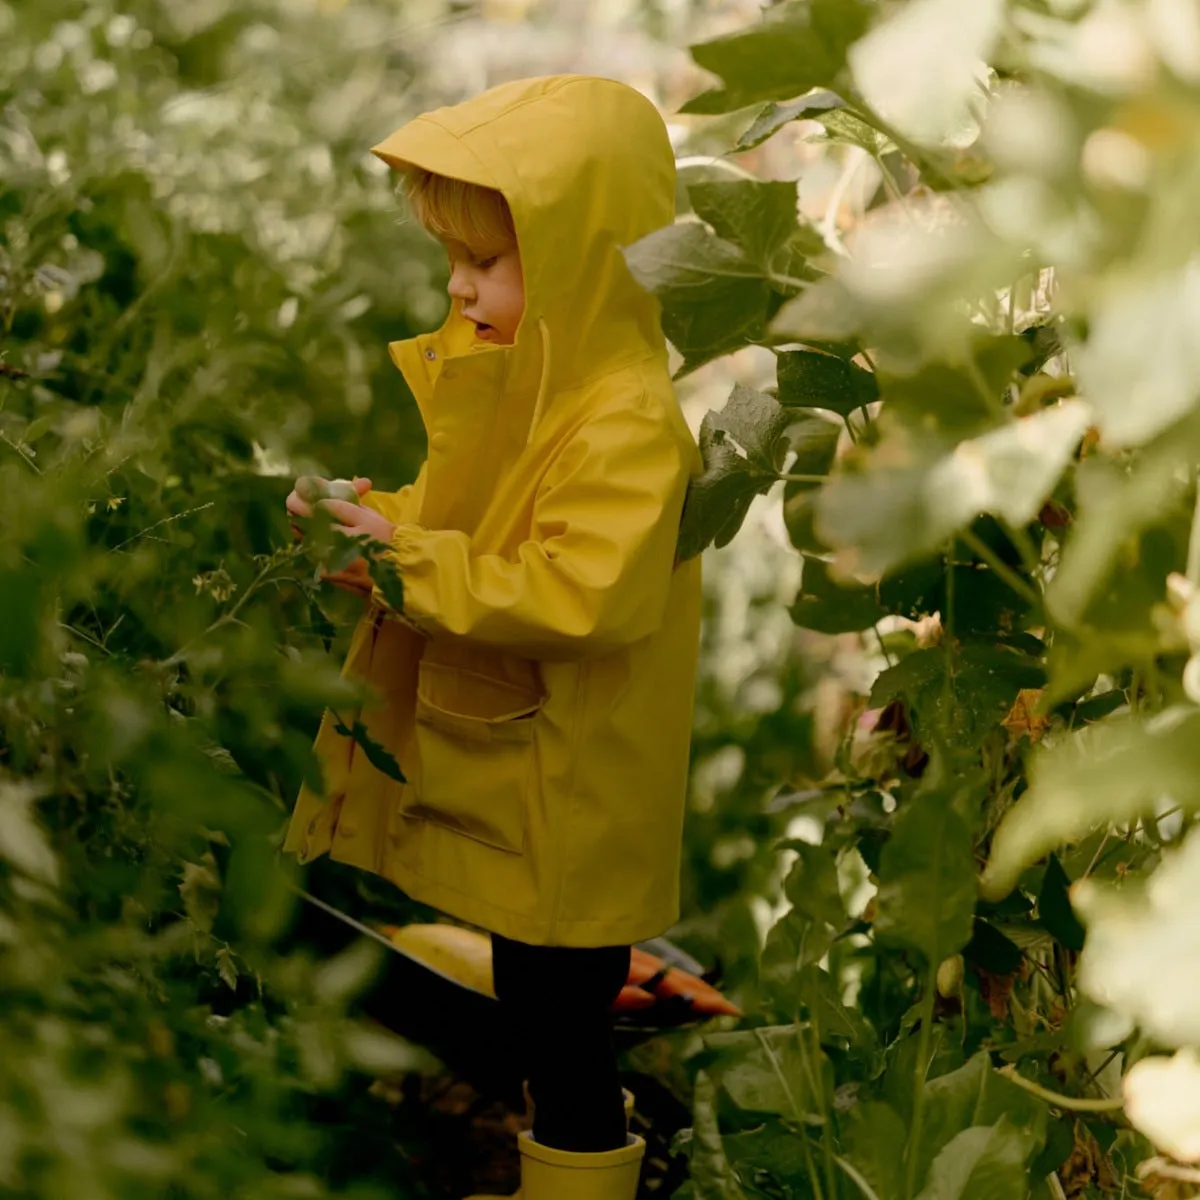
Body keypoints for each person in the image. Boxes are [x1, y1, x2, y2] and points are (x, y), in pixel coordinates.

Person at [283, 74, 702, 1200]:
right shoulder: (539, 382)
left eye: (488, 264)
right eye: (455, 262)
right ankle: (558, 1172)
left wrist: (405, 560)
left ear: (585, 259)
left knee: (562, 1026)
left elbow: (578, 590)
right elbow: (478, 517)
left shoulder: (626, 419)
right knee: (535, 1003)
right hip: (535, 763)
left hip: (578, 779)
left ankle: (580, 1184)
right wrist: (387, 525)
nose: (461, 289)